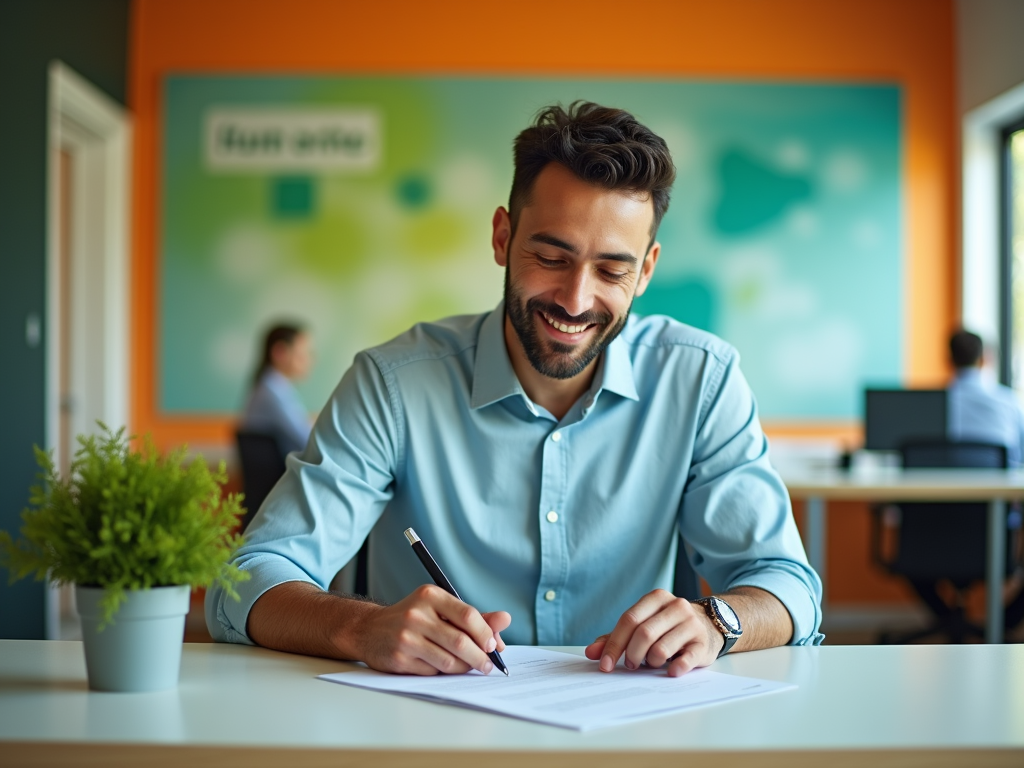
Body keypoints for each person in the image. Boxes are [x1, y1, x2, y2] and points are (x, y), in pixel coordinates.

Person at [208, 102, 822, 679]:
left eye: (612, 269)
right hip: (432, 728)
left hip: (632, 733)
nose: (576, 301)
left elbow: (788, 585)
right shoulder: (392, 383)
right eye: (551, 257)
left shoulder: (702, 379)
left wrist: (718, 622)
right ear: (503, 237)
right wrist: (361, 627)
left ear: (647, 271)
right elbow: (246, 583)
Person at [947, 329, 1024, 467]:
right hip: (1001, 487)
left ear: (948, 360)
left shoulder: (931, 404)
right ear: (983, 359)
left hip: (945, 486)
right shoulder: (1009, 400)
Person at [240, 323, 314, 457]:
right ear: (279, 352)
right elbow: (308, 441)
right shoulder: (274, 392)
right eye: (302, 355)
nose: (309, 361)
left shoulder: (270, 387)